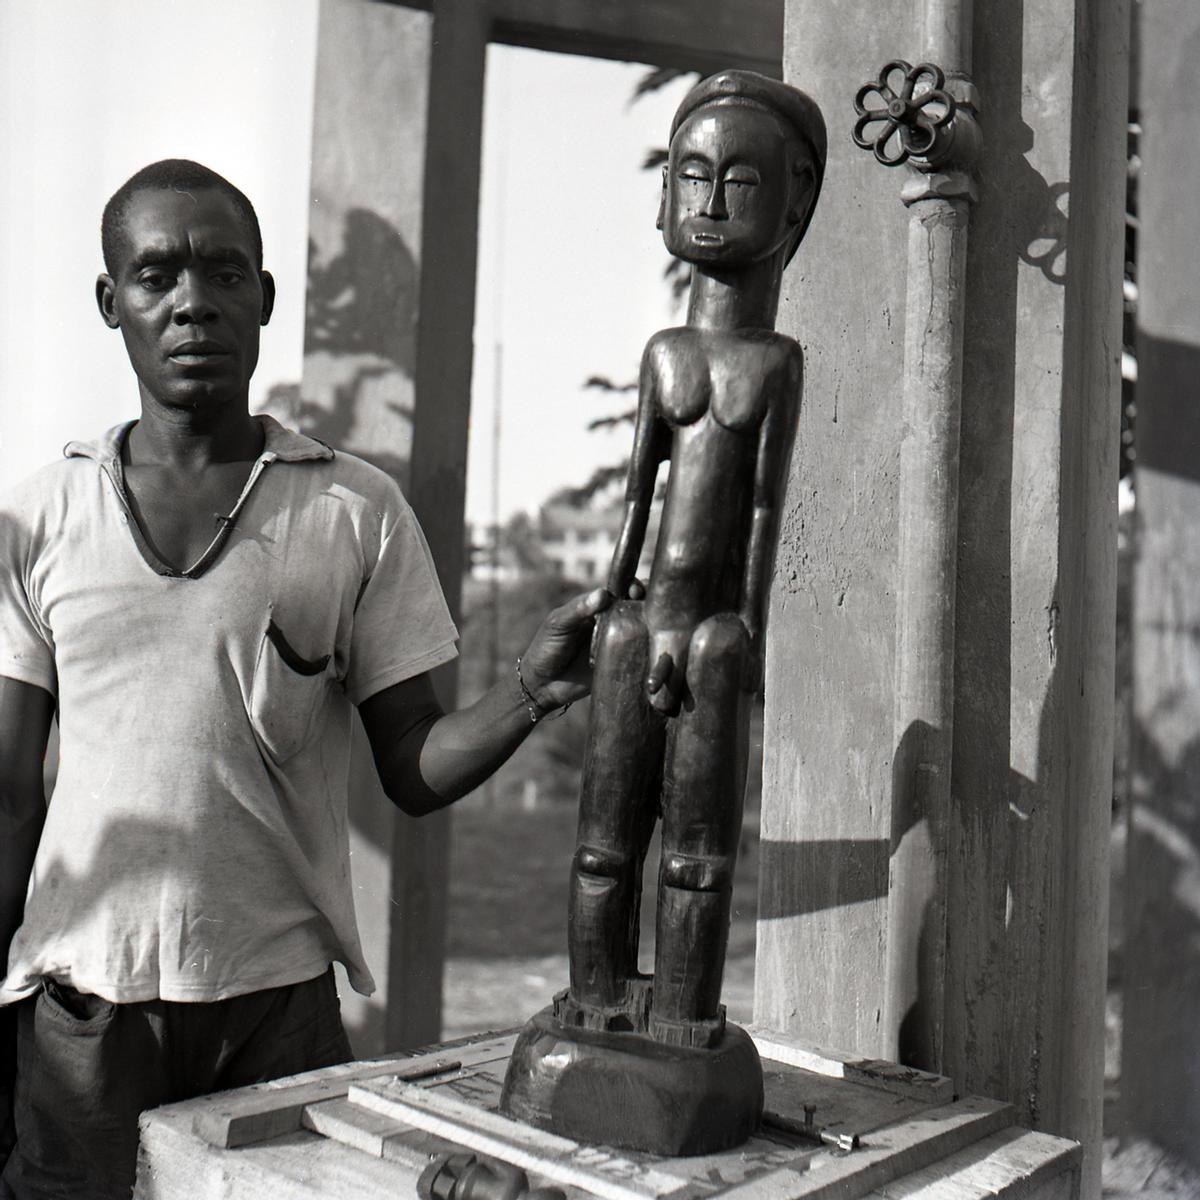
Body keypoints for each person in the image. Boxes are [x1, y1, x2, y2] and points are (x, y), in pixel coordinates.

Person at [0, 159, 608, 1200]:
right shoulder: (43, 519)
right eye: (156, 276)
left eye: (223, 272)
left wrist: (536, 689)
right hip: (81, 1015)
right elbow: (9, 794)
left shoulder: (351, 511)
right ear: (113, 304)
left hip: (275, 1009)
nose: (192, 300)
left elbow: (411, 766)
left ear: (265, 298)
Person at [561, 71, 826, 1046]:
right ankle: (593, 996)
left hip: (715, 633)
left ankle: (680, 1012)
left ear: (795, 196)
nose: (710, 203)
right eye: (691, 176)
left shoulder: (773, 364)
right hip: (636, 619)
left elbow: (759, 510)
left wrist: (748, 628)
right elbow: (638, 492)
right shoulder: (665, 353)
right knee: (602, 846)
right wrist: (608, 593)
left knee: (698, 856)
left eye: (740, 183)